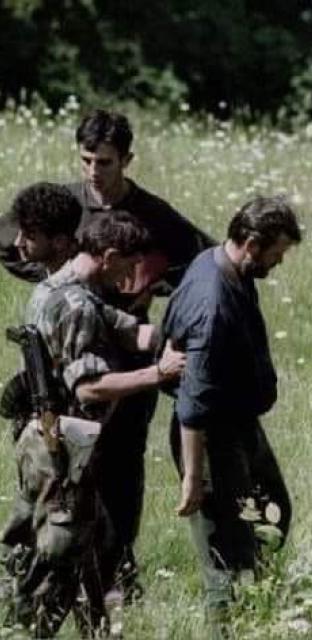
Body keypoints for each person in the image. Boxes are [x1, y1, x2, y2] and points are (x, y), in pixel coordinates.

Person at [0, 109, 214, 598]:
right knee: (62, 488)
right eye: (86, 160)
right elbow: (14, 243)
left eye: (105, 162)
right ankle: (43, 597)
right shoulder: (62, 208)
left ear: (126, 160)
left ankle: (114, 574)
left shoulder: (153, 214)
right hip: (73, 362)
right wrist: (55, 280)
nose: (94, 171)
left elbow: (201, 261)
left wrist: (154, 286)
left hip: (126, 360)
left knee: (121, 469)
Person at [2, 211, 185, 636]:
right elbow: (88, 388)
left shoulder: (59, 287)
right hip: (63, 453)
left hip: (43, 442)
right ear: (109, 256)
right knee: (57, 561)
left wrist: (179, 333)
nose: (130, 278)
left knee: (86, 555)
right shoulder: (77, 306)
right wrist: (158, 374)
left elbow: (128, 331)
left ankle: (92, 629)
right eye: (127, 267)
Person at [161, 195, 300, 630]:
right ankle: (228, 625)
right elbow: (193, 402)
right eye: (276, 252)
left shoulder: (220, 263)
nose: (279, 262)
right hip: (211, 437)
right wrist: (193, 477)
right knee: (225, 552)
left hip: (238, 425)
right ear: (252, 245)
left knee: (273, 513)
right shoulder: (214, 302)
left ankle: (258, 607)